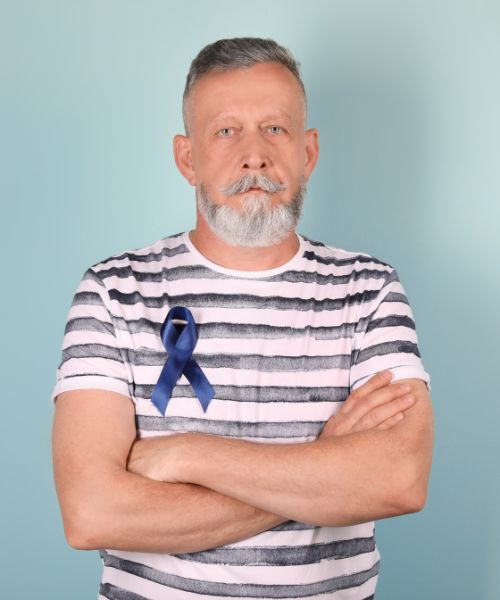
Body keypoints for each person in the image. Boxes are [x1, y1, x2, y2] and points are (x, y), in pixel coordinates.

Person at [51, 37, 433, 600]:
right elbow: (92, 513)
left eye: (274, 128)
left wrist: (188, 454)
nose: (255, 155)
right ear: (188, 159)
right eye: (227, 131)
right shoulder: (113, 291)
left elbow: (399, 480)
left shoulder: (369, 290)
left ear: (308, 152)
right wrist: (323, 464)